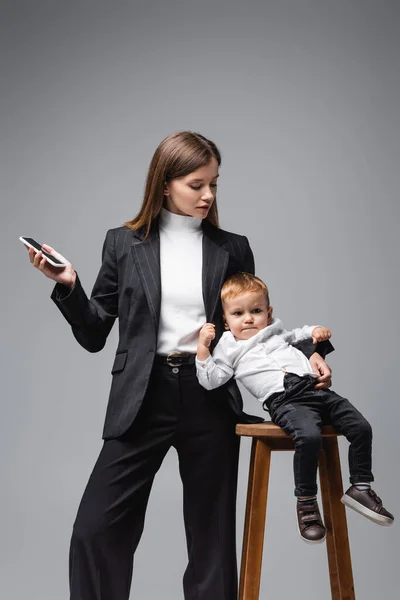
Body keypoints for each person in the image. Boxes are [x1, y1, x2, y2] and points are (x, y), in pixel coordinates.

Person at [25, 131, 333, 599]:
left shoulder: (233, 247)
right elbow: (93, 335)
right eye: (196, 184)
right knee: (96, 530)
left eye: (214, 184)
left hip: (210, 393)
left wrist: (311, 353)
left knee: (211, 541)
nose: (208, 195)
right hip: (142, 395)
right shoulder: (123, 244)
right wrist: (69, 284)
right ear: (165, 183)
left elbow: (253, 329)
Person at [196, 272, 394, 544]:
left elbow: (299, 335)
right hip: (284, 400)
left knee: (361, 427)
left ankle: (360, 486)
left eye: (256, 310)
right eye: (238, 314)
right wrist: (203, 350)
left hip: (315, 390)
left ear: (269, 311)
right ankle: (307, 503)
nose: (249, 319)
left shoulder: (276, 331)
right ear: (225, 321)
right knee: (309, 437)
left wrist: (315, 331)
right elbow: (211, 380)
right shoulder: (228, 348)